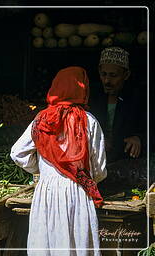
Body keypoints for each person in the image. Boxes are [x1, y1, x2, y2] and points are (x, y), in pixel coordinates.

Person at [10, 66, 107, 255]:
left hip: (46, 193)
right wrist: (82, 178)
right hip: (78, 193)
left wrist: (43, 171)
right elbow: (100, 169)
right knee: (76, 245)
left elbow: (17, 153)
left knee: (47, 244)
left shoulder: (40, 120)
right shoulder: (89, 121)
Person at [89, 46, 147, 163]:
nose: (107, 81)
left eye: (113, 75)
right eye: (104, 74)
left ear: (126, 75)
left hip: (125, 160)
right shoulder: (93, 97)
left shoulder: (138, 99)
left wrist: (140, 139)